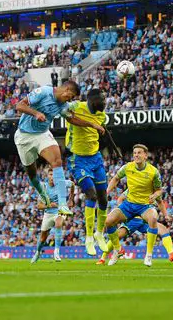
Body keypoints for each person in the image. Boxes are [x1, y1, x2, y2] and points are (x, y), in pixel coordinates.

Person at [14, 80, 103, 217]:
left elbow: (71, 119)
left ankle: (62, 203)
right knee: (32, 173)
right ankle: (43, 194)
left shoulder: (63, 105)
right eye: (71, 96)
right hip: (24, 137)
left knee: (57, 160)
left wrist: (92, 125)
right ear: (66, 89)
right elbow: (19, 105)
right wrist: (35, 113)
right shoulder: (43, 92)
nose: (70, 100)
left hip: (42, 134)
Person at [65, 87, 111, 255]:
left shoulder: (102, 115)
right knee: (91, 195)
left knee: (104, 199)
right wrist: (92, 124)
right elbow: (69, 118)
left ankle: (100, 234)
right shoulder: (76, 107)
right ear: (92, 101)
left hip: (96, 158)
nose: (104, 103)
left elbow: (103, 123)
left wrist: (101, 128)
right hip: (78, 158)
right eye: (102, 100)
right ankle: (89, 238)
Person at [104, 144, 163, 267]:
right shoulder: (127, 167)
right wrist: (107, 192)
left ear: (145, 155)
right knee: (108, 221)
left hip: (144, 206)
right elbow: (115, 178)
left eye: (139, 152)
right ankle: (118, 249)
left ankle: (148, 255)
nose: (136, 155)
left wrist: (154, 195)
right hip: (128, 205)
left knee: (153, 218)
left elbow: (159, 190)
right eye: (134, 152)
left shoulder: (153, 172)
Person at [30, 167, 67, 264]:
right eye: (50, 175)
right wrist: (49, 205)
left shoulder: (61, 185)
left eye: (54, 175)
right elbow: (39, 205)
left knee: (58, 224)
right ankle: (38, 252)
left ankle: (57, 252)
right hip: (48, 213)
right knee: (42, 238)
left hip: (60, 211)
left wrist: (71, 199)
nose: (52, 177)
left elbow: (72, 184)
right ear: (47, 176)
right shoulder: (44, 188)